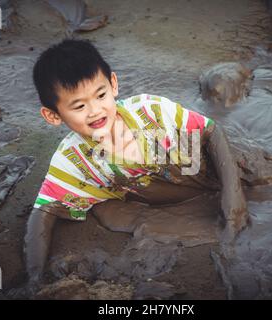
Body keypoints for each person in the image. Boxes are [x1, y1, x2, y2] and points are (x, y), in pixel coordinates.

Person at [24, 38, 248, 292]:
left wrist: (234, 197)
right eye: (79, 106)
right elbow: (43, 211)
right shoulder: (72, 161)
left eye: (100, 95)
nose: (95, 110)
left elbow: (211, 131)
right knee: (108, 211)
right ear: (53, 115)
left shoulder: (150, 111)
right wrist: (34, 278)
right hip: (170, 200)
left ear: (113, 85)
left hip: (214, 167)